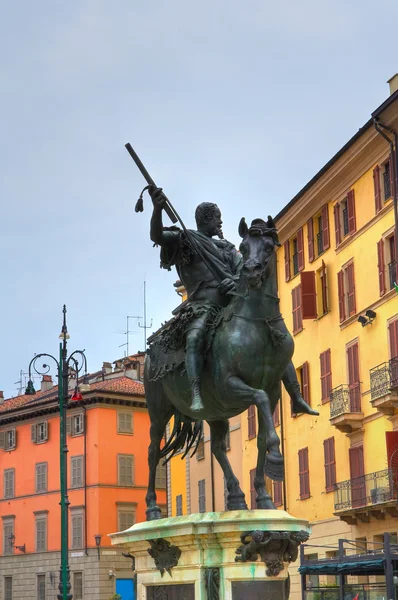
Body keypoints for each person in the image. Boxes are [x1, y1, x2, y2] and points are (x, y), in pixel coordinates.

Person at [149, 187, 318, 417]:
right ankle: (197, 392)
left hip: (231, 304)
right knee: (195, 336)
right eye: (218, 219)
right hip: (202, 306)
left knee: (274, 339)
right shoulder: (185, 240)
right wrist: (157, 209)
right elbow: (157, 236)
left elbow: (243, 273)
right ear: (207, 220)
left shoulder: (228, 248)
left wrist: (234, 283)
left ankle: (296, 396)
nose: (221, 223)